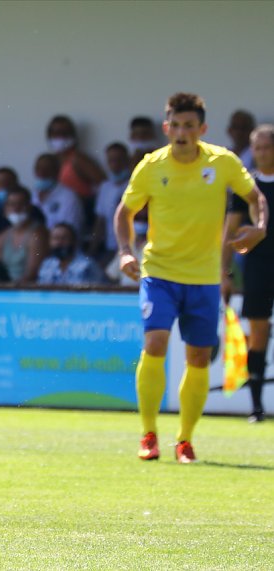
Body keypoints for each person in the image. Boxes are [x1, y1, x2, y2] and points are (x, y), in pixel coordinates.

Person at [115, 92, 268, 464]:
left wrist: (261, 226)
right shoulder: (152, 166)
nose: (181, 133)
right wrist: (125, 250)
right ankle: (149, 433)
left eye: (189, 126)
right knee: (155, 344)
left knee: (199, 357)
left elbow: (256, 197)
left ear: (202, 129)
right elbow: (125, 212)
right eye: (176, 125)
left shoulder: (223, 162)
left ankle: (184, 440)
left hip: (203, 277)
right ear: (167, 127)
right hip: (160, 273)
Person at [223, 124, 274, 422]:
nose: (262, 152)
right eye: (257, 147)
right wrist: (224, 272)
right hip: (257, 267)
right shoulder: (246, 189)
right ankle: (256, 405)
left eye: (267, 147)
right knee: (257, 333)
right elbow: (229, 231)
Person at [0, 187, 48, 284]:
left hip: (27, 291)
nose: (16, 209)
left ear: (29, 207)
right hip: (5, 290)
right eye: (12, 204)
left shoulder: (38, 234)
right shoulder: (2, 236)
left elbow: (32, 274)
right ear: (5, 208)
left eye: (21, 204)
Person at [45, 114, 106, 202]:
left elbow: (104, 185)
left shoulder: (78, 159)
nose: (60, 137)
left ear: (72, 135)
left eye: (64, 133)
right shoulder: (50, 160)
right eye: (55, 133)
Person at [90, 143, 132, 263]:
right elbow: (100, 221)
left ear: (127, 160)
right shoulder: (104, 187)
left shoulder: (134, 184)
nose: (115, 164)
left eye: (119, 160)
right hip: (110, 247)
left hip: (130, 247)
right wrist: (92, 250)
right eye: (111, 160)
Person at [31, 152, 85, 235]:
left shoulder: (69, 197)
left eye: (47, 169)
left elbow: (70, 231)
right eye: (38, 168)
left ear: (57, 171)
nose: (42, 173)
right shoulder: (32, 195)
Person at [37, 223, 104, 285]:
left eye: (64, 238)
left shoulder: (87, 265)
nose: (60, 242)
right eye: (56, 238)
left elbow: (98, 293)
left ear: (74, 241)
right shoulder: (47, 265)